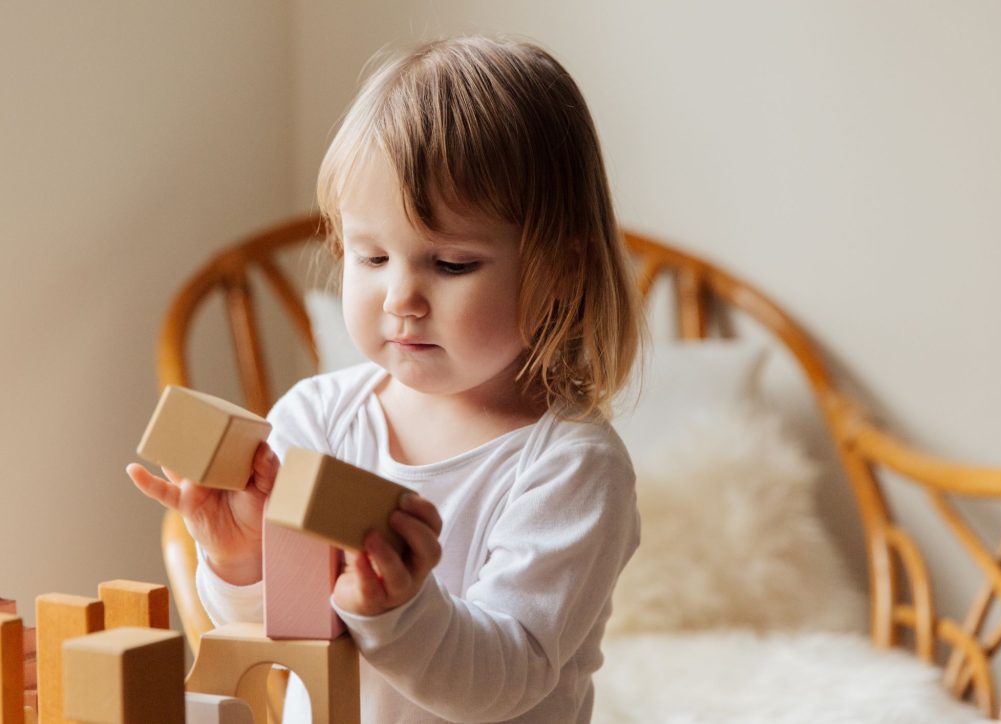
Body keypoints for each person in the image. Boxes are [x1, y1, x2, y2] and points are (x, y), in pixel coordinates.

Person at [128, 35, 643, 723]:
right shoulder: (314, 421)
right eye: (370, 257)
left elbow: (505, 677)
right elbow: (279, 636)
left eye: (452, 263)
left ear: (563, 268)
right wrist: (238, 560)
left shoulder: (572, 468)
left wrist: (403, 611)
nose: (401, 297)